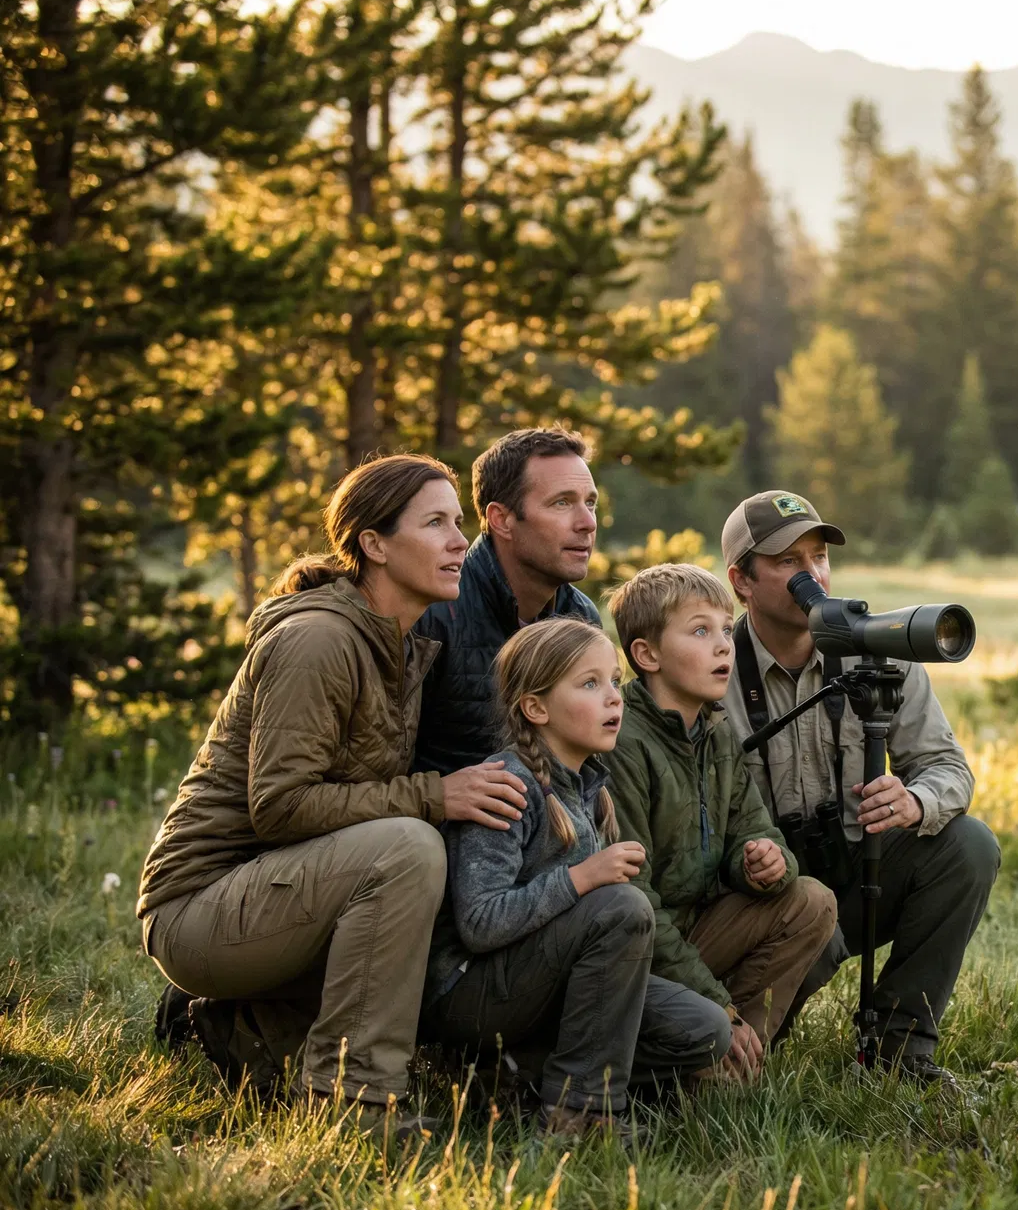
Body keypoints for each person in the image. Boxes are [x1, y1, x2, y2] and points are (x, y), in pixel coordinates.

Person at [139, 454, 533, 1134]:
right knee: (409, 846)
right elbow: (282, 805)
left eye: (458, 523)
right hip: (198, 908)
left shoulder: (402, 645)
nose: (455, 542)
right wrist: (434, 796)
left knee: (436, 857)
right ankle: (352, 1103)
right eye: (434, 523)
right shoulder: (319, 641)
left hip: (278, 893)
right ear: (374, 545)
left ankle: (250, 1025)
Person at [721, 490, 1000, 1085]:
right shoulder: (711, 668)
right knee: (735, 1066)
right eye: (789, 562)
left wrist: (914, 800)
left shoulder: (878, 654)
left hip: (864, 873)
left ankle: (904, 1050)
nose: (812, 576)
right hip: (773, 899)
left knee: (968, 846)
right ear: (741, 581)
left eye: (818, 557)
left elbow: (948, 768)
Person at [421, 617, 658, 1138]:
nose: (614, 698)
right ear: (535, 707)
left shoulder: (590, 786)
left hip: (535, 979)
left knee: (699, 1031)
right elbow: (480, 923)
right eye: (590, 684)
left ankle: (523, 1075)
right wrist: (584, 877)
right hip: (469, 994)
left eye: (615, 681)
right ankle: (580, 1112)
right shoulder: (507, 786)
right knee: (622, 908)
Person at [604, 564, 839, 1086]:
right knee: (696, 993)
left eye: (726, 628)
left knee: (810, 899)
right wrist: (715, 1002)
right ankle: (701, 1047)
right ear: (647, 655)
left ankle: (729, 1068)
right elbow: (634, 906)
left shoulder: (717, 732)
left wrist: (763, 862)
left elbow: (756, 829)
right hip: (635, 950)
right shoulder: (624, 744)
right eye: (699, 630)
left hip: (696, 930)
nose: (723, 646)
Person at [413, 427, 602, 777]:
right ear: (502, 519)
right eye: (562, 503)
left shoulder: (580, 618)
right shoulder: (431, 615)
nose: (588, 522)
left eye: (589, 502)